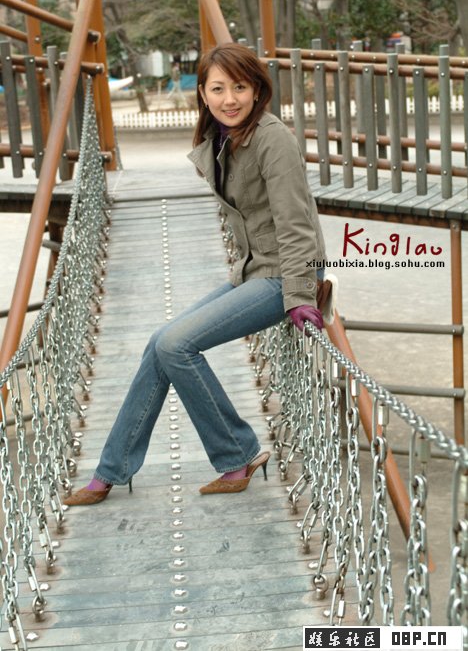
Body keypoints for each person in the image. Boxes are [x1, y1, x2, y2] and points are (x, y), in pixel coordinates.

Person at [64, 42, 327, 507]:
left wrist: (301, 294)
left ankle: (237, 455)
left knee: (175, 344)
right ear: (202, 93)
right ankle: (110, 471)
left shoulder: (273, 139)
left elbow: (296, 224)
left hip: (282, 278)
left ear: (257, 89)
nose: (230, 99)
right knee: (159, 343)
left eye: (240, 87)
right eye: (218, 88)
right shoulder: (223, 138)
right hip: (251, 271)